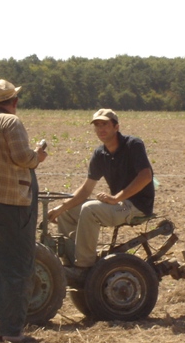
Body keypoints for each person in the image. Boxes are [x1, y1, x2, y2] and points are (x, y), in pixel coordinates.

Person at [0, 79, 47, 343]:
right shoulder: (11, 123)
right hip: (10, 202)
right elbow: (22, 158)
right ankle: (12, 330)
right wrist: (38, 155)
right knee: (15, 265)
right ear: (13, 102)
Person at [47, 109, 154, 281]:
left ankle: (83, 267)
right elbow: (86, 189)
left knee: (90, 210)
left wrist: (116, 198)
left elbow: (146, 176)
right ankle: (69, 263)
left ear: (116, 127)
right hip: (118, 204)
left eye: (105, 124)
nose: (101, 129)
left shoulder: (133, 144)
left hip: (136, 206)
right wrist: (62, 207)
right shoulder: (100, 154)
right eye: (97, 125)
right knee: (68, 212)